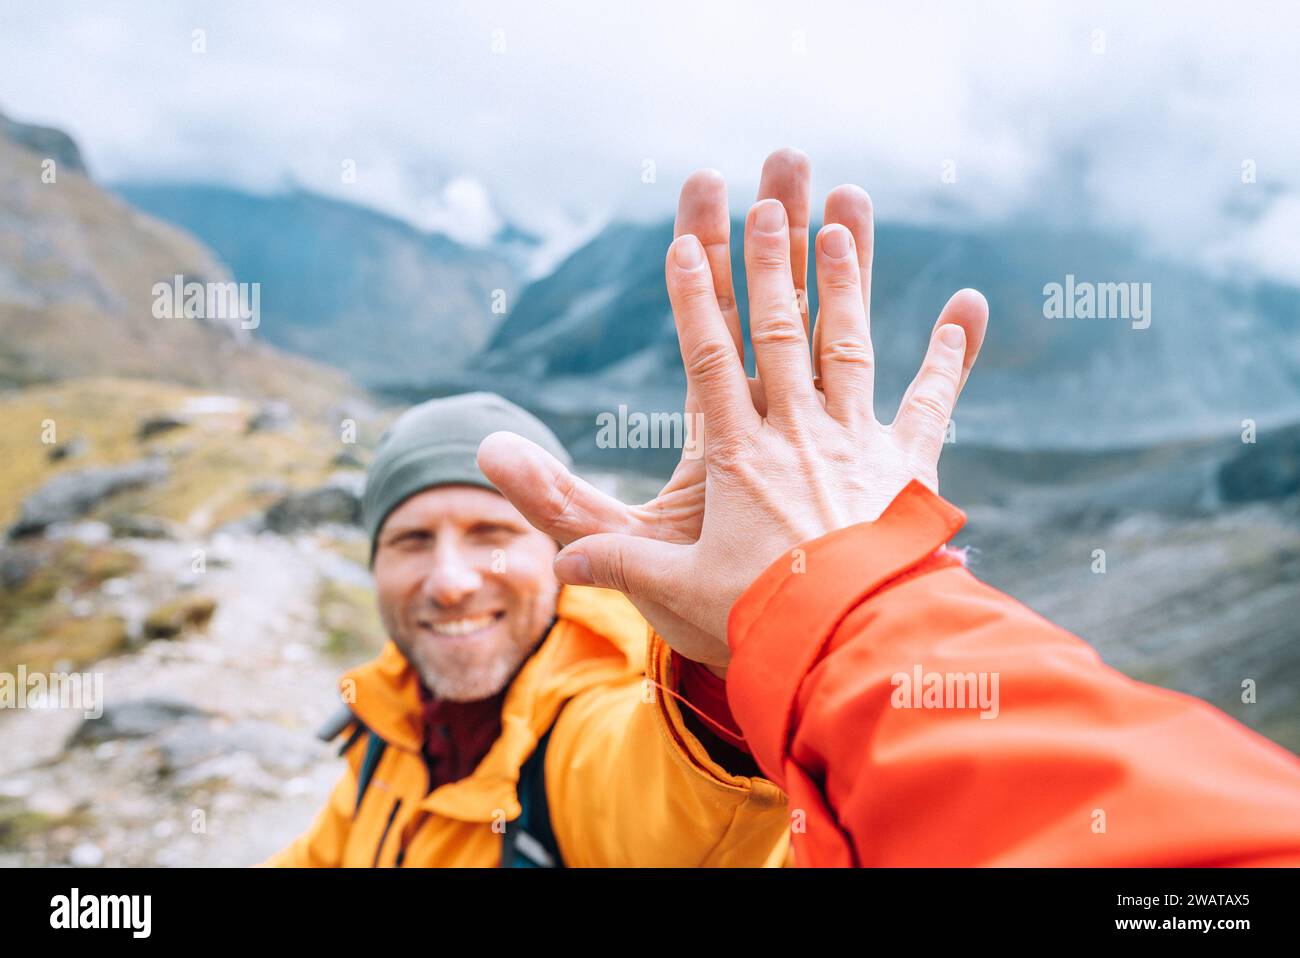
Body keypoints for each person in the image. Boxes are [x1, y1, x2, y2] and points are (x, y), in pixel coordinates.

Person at [480, 152, 1300, 866]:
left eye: (485, 532)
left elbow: (653, 827)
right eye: (408, 538)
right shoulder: (357, 764)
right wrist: (835, 590)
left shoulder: (575, 717)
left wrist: (802, 616)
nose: (452, 582)